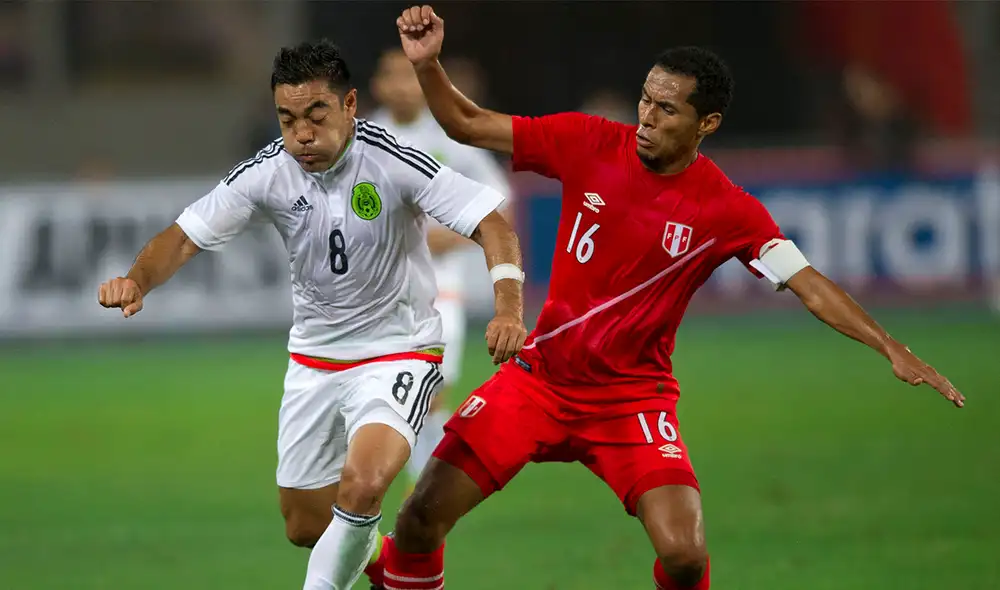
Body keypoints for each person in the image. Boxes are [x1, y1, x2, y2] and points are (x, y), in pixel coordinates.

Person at [364, 6, 966, 590]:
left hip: (631, 401)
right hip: (538, 380)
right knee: (419, 519)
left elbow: (809, 284)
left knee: (683, 555)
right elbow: (468, 123)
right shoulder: (590, 141)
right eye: (646, 99)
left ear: (707, 124)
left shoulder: (728, 209)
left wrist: (889, 345)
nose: (647, 116)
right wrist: (427, 66)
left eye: (667, 109)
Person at [96, 38, 528, 590]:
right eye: (288, 118)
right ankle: (396, 569)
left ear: (349, 105)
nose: (302, 133)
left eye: (316, 114)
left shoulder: (391, 158)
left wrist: (508, 308)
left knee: (364, 485)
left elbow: (493, 223)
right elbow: (183, 238)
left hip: (399, 350)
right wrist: (136, 280)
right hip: (314, 362)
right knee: (305, 525)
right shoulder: (267, 173)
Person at [368, 47, 514, 491]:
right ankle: (431, 485)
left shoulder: (450, 137)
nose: (400, 86)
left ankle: (429, 489)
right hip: (381, 290)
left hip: (440, 288)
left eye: (408, 77)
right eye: (391, 77)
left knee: (429, 391)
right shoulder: (366, 138)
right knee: (388, 395)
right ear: (377, 86)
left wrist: (451, 234)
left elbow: (499, 200)